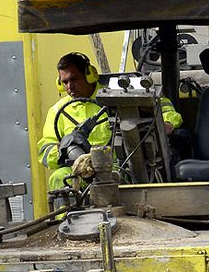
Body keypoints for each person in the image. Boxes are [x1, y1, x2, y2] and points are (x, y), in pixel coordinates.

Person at [38, 51, 181, 189]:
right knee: (59, 177)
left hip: (120, 168)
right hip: (81, 172)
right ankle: (71, 208)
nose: (70, 87)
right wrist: (63, 150)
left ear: (89, 75)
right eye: (65, 82)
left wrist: (167, 122)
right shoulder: (57, 111)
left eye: (74, 79)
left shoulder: (116, 95)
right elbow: (45, 149)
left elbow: (161, 104)